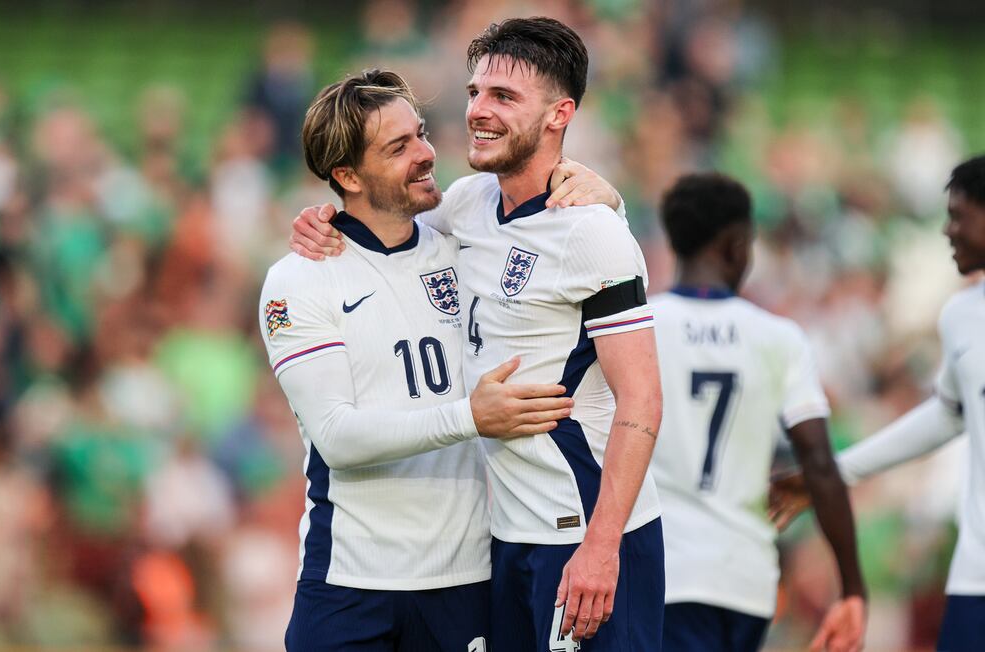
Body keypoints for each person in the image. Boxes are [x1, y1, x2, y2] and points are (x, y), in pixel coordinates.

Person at [291, 17, 665, 651]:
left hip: (589, 540)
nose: (478, 112)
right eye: (474, 93)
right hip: (507, 542)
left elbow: (644, 400)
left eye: (504, 97)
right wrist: (322, 215)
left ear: (560, 113)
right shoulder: (465, 205)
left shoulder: (591, 230)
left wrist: (602, 548)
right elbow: (380, 216)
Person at [260, 69, 579, 652]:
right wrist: (470, 417)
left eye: (422, 134)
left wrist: (603, 194)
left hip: (465, 578)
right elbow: (337, 436)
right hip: (350, 583)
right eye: (398, 147)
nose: (427, 154)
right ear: (347, 175)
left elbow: (577, 245)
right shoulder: (297, 281)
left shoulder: (464, 248)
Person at [769, 155, 985, 652]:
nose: (948, 232)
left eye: (960, 217)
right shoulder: (961, 316)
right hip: (974, 580)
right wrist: (836, 473)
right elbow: (947, 415)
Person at [650, 173, 866, 652]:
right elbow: (817, 459)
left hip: (663, 570)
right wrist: (852, 587)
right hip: (745, 578)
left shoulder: (638, 327)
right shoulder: (778, 337)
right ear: (736, 245)